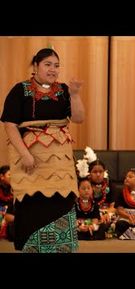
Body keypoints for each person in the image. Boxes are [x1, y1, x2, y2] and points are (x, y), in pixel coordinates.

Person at [0, 48, 85, 252]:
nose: (53, 69)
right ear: (36, 66)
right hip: (31, 159)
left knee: (61, 201)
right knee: (32, 201)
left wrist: (74, 95)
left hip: (60, 161)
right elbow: (10, 124)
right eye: (48, 64)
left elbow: (79, 118)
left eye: (56, 65)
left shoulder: (63, 90)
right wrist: (25, 154)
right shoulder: (20, 90)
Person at [0, 165, 14, 241]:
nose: (12, 177)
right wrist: (6, 215)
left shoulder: (12, 187)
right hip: (2, 215)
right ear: (2, 176)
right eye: (9, 175)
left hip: (9, 214)